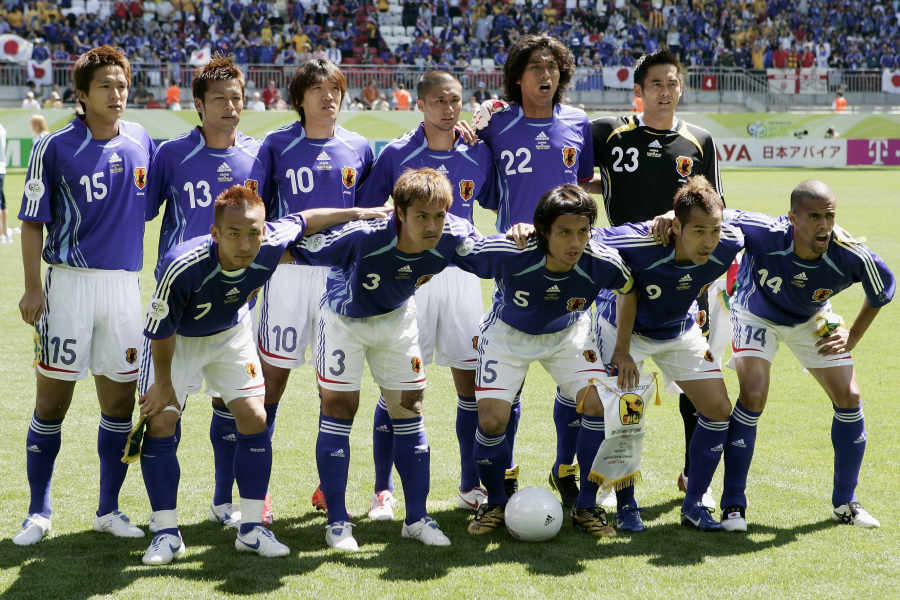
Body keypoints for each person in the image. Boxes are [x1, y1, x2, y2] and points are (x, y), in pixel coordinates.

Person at [139, 184, 387, 564]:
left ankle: (252, 528)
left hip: (229, 333)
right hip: (178, 340)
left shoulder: (270, 241)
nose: (245, 243)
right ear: (215, 234)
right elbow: (161, 329)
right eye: (234, 234)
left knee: (255, 417)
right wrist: (164, 385)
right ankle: (166, 533)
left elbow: (306, 219)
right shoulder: (180, 265)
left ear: (264, 229)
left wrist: (356, 213)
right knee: (161, 423)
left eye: (253, 232)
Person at [290, 168, 480, 551]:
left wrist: (520, 236)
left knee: (410, 409)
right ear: (399, 214)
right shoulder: (362, 237)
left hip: (397, 320)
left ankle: (416, 518)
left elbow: (489, 253)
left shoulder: (454, 233)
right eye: (421, 216)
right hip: (345, 321)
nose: (432, 225)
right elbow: (293, 248)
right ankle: (338, 522)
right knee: (340, 408)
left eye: (439, 215)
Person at [14, 45, 155, 546]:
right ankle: (38, 511)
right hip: (67, 286)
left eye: (122, 85)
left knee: (118, 403)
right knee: (52, 402)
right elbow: (31, 224)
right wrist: (33, 287)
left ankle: (109, 509)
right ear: (81, 95)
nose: (117, 94)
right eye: (105, 87)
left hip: (122, 288)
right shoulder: (53, 147)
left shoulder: (142, 141)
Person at [354, 70, 499, 519]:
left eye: (455, 100)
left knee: (470, 384)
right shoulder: (398, 153)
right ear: (421, 103)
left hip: (460, 276)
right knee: (396, 387)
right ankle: (383, 490)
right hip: (409, 277)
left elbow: (494, 199)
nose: (449, 108)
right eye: (439, 100)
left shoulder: (478, 152)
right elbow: (371, 211)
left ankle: (470, 484)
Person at [586, 48, 724, 518]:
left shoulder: (699, 141)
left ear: (681, 88)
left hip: (685, 283)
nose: (665, 91)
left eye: (672, 83)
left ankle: (693, 478)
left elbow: (713, 206)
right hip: (624, 279)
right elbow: (565, 155)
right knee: (618, 394)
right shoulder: (609, 133)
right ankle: (608, 482)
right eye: (656, 84)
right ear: (639, 92)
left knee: (692, 388)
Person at [452, 184, 631, 537]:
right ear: (543, 231)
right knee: (490, 420)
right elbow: (457, 247)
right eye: (564, 232)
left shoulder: (601, 261)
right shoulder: (512, 251)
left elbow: (629, 289)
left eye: (582, 231)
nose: (575, 242)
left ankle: (586, 505)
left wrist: (622, 349)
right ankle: (496, 501)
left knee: (599, 404)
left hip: (568, 335)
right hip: (507, 336)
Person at [719, 180, 894, 530]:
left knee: (850, 395)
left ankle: (846, 502)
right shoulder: (764, 232)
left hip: (812, 317)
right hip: (756, 312)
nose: (824, 225)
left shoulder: (851, 253)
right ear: (793, 218)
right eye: (814, 216)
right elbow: (717, 215)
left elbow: (881, 289)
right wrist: (666, 217)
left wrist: (853, 335)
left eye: (829, 216)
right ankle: (733, 506)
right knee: (753, 395)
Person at [470, 33, 594, 506]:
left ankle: (568, 469)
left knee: (580, 387)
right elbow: (481, 185)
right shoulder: (498, 125)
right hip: (517, 263)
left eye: (553, 67)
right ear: (517, 77)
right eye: (535, 67)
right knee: (508, 383)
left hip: (572, 264)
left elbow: (582, 185)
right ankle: (501, 481)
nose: (546, 75)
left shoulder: (579, 123)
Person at [250, 58, 375, 521]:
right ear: (299, 98)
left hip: (337, 281)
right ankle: (257, 493)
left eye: (335, 88)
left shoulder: (360, 148)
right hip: (287, 278)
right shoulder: (277, 145)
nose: (329, 97)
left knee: (336, 390)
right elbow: (255, 208)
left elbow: (373, 214)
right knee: (269, 387)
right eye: (318, 89)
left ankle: (329, 487)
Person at [142, 56, 261, 531]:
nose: (231, 106)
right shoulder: (171, 155)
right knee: (164, 412)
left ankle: (222, 502)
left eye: (237, 97)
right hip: (178, 307)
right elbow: (143, 213)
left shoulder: (258, 155)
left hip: (235, 307)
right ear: (198, 105)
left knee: (234, 408)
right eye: (220, 99)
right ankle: (163, 523)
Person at [594, 176, 743, 532]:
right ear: (676, 227)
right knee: (624, 415)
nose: (709, 242)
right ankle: (626, 504)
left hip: (679, 328)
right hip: (624, 330)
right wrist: (622, 350)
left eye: (714, 230)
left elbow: (762, 225)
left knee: (719, 409)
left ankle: (694, 501)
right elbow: (586, 235)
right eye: (698, 231)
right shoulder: (641, 240)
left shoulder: (729, 241)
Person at [0, 120, 7, 243]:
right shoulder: (2, 127)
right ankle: (4, 232)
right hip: (2, 168)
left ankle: (2, 234)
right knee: (2, 202)